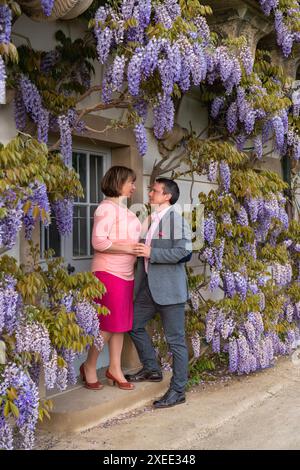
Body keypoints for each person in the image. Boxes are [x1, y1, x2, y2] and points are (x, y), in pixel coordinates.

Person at [126, 178, 192, 408]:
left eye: (154, 191)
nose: (150, 193)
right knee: (132, 324)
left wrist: (151, 252)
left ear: (167, 196)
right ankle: (152, 369)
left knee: (176, 342)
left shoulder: (176, 219)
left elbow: (184, 253)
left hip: (170, 291)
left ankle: (178, 390)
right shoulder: (152, 218)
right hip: (148, 288)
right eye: (151, 190)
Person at [80, 166, 141, 391]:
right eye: (130, 182)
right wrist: (129, 248)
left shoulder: (125, 210)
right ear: (117, 182)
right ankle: (89, 365)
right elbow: (99, 242)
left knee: (120, 325)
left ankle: (115, 368)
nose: (134, 186)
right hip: (108, 273)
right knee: (106, 325)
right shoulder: (105, 208)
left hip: (127, 273)